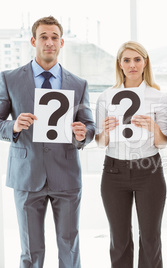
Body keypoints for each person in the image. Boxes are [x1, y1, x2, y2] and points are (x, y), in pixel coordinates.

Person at [0, 16, 95, 268]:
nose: (49, 42)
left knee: (69, 247)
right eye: (44, 37)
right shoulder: (9, 78)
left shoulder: (79, 83)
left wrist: (83, 133)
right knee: (31, 250)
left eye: (54, 37)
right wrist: (14, 126)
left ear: (62, 42)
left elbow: (90, 125)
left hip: (66, 175)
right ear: (34, 41)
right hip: (27, 175)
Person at [95, 41, 167, 268]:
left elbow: (163, 142)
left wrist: (153, 127)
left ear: (145, 63)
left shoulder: (158, 96)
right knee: (119, 239)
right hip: (114, 170)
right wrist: (104, 132)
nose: (132, 65)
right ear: (120, 64)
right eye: (127, 60)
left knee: (150, 238)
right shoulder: (106, 96)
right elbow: (99, 142)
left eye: (137, 59)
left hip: (149, 170)